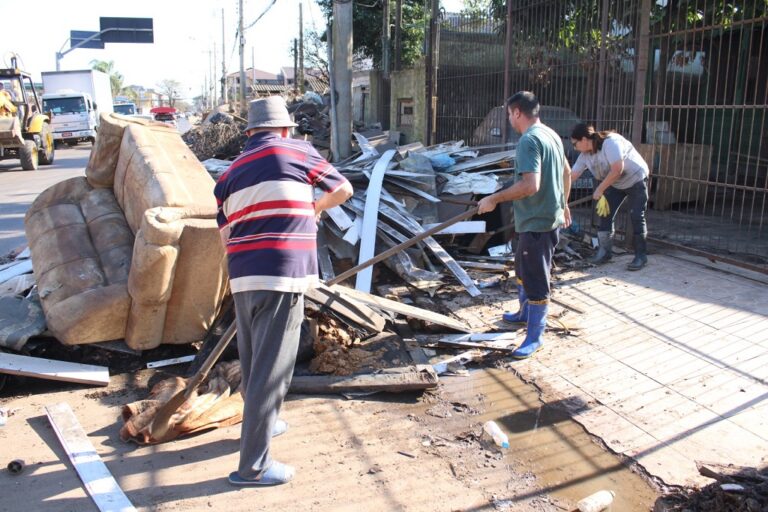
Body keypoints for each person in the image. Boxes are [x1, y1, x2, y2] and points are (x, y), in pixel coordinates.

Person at [214, 96, 353, 486]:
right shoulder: (296, 150)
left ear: (249, 133)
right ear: (285, 129)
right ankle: (253, 468)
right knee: (271, 370)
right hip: (282, 273)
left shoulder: (229, 174)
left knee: (254, 358)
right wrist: (315, 208)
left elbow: (224, 233)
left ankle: (265, 424)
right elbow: (342, 189)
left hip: (242, 276)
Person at [477, 91, 571, 359]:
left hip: (537, 223)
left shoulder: (528, 141)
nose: (509, 119)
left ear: (517, 112)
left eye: (509, 114)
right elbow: (566, 171)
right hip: (540, 218)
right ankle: (523, 313)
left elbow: (531, 185)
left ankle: (535, 336)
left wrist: (494, 199)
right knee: (522, 265)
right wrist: (564, 203)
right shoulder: (550, 134)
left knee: (536, 278)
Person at [570, 123, 650, 270]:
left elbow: (617, 169)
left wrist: (600, 189)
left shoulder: (610, 143)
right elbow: (572, 176)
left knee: (637, 216)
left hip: (635, 179)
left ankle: (641, 256)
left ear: (584, 139)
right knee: (605, 214)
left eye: (575, 144)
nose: (574, 148)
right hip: (615, 183)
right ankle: (605, 252)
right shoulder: (584, 156)